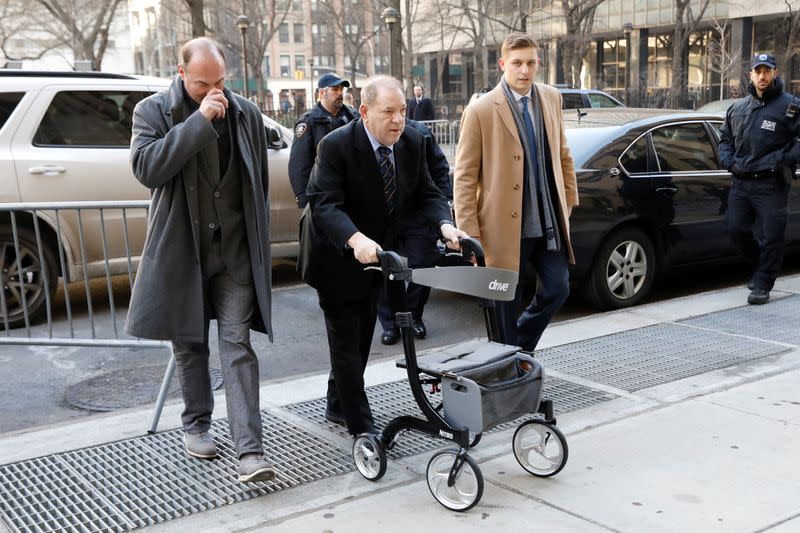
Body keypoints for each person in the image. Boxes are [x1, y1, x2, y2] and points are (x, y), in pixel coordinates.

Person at [126, 37, 275, 483]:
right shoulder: (151, 111)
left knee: (237, 348)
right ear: (181, 73)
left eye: (220, 82)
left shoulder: (245, 112)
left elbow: (258, 182)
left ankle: (250, 452)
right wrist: (198, 122)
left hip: (234, 255)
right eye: (201, 84)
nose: (214, 91)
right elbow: (146, 168)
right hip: (182, 251)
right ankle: (196, 425)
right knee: (190, 345)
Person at [297, 75, 467, 436]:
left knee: (361, 337)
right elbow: (324, 204)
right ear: (364, 111)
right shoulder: (335, 145)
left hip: (379, 257)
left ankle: (336, 402)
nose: (398, 119)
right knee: (347, 340)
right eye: (388, 111)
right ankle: (362, 428)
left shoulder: (412, 142)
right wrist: (356, 239)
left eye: (402, 110)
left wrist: (444, 225)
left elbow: (427, 192)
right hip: (336, 255)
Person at [454, 32, 578, 352]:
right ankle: (508, 369)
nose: (524, 70)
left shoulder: (551, 98)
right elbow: (465, 177)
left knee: (557, 288)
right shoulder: (481, 110)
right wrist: (469, 234)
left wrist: (567, 203)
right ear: (502, 64)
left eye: (531, 63)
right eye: (517, 63)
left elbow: (562, 154)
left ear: (538, 63)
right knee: (505, 301)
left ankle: (517, 349)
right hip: (501, 226)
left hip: (547, 220)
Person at [719, 52, 800, 305]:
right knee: (736, 230)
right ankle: (762, 266)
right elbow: (724, 140)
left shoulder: (790, 106)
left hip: (771, 183)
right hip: (741, 181)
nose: (762, 75)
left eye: (767, 70)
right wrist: (729, 162)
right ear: (750, 75)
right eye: (758, 71)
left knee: (772, 235)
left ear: (775, 73)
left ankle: (763, 283)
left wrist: (783, 160)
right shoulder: (738, 107)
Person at [376, 119, 453, 345]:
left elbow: (439, 167)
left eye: (400, 108)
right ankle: (390, 323)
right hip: (382, 215)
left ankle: (413, 315)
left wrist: (443, 201)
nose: (395, 117)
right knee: (385, 268)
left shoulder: (418, 134)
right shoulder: (367, 135)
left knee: (424, 263)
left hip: (416, 212)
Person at [288, 73, 359, 208]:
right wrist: (305, 201)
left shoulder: (352, 117)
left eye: (341, 89)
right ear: (322, 93)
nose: (340, 93)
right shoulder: (309, 122)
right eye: (335, 89)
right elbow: (299, 164)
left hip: (352, 194)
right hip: (324, 195)